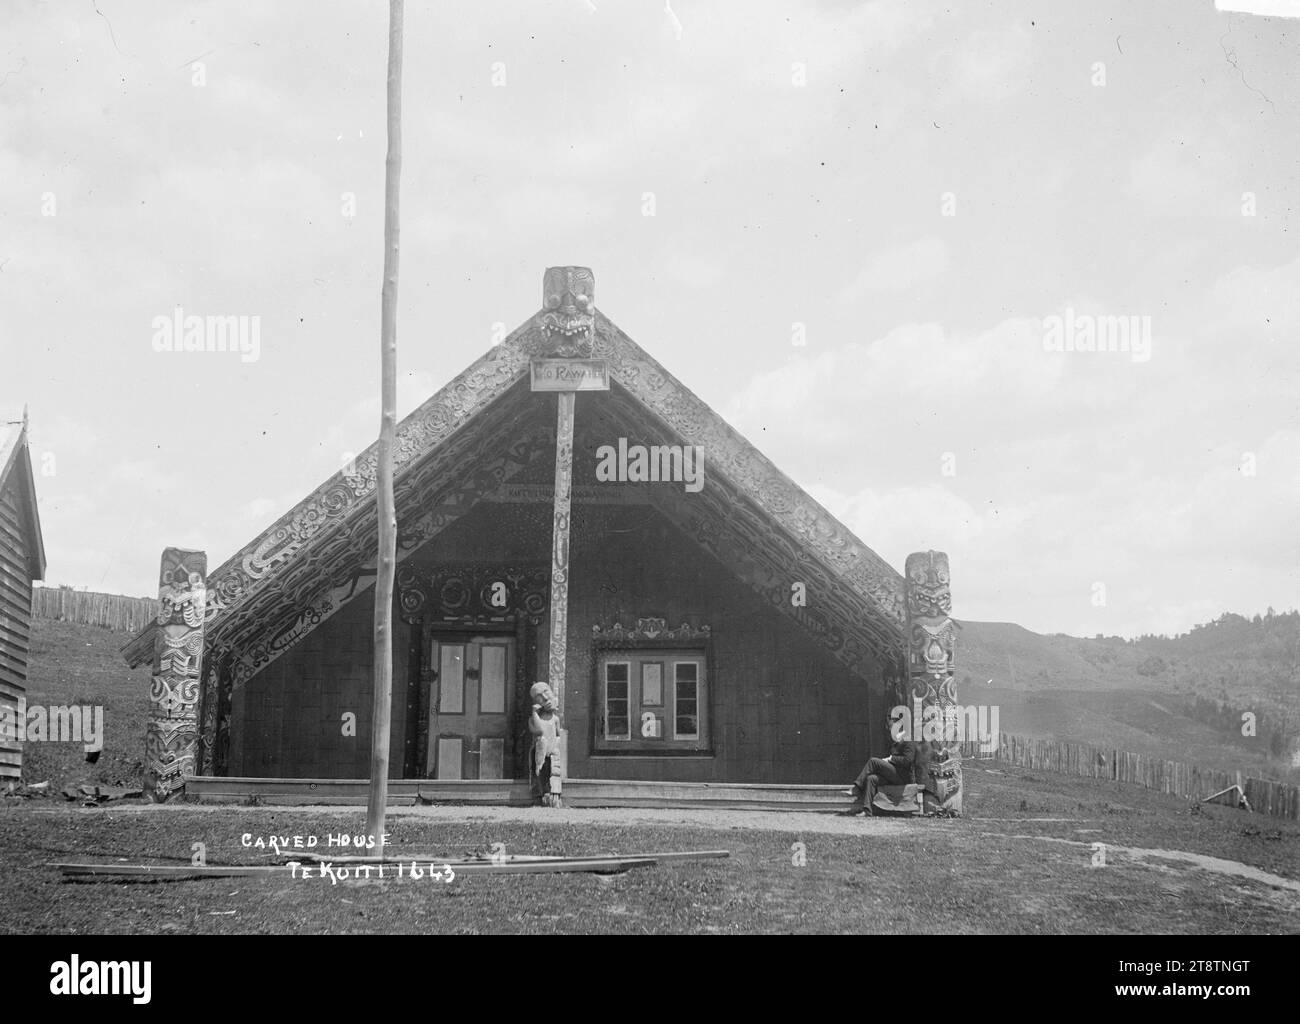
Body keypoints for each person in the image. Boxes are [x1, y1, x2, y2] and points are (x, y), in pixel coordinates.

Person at [843, 739, 921, 813]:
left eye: (892, 726)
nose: (890, 729)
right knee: (871, 778)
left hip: (903, 777)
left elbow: (908, 760)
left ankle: (857, 788)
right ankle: (867, 810)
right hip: (893, 775)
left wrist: (891, 759)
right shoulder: (895, 742)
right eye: (889, 726)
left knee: (873, 761)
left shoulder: (908, 741)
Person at [528, 681, 563, 807]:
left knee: (551, 770)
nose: (545, 698)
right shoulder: (534, 719)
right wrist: (534, 713)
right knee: (538, 771)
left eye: (546, 692)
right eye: (539, 696)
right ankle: (538, 796)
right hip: (539, 752)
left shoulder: (555, 718)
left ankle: (551, 794)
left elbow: (558, 735)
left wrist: (555, 746)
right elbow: (539, 730)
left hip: (551, 752)